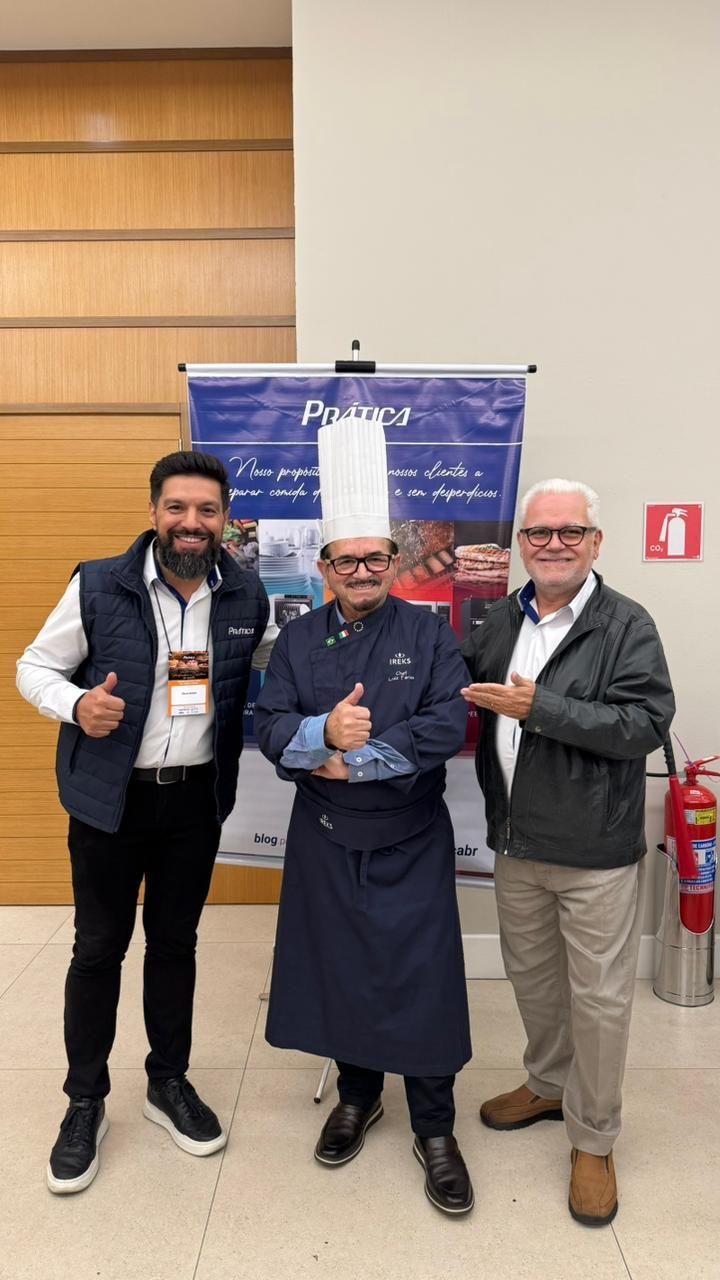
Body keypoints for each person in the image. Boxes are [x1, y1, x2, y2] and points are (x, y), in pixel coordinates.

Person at [16, 451, 271, 1194]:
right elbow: (33, 666)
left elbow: (267, 667)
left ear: (225, 519)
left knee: (175, 945)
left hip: (193, 801)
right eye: (177, 507)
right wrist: (76, 705)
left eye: (207, 510)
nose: (192, 523)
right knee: (98, 949)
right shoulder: (99, 583)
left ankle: (168, 1082)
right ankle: (84, 1101)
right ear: (154, 511)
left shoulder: (245, 593)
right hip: (109, 801)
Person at [254, 414, 474, 1216]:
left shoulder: (429, 631)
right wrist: (321, 733)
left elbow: (448, 722)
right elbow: (270, 725)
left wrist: (357, 757)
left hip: (410, 836)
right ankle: (358, 1096)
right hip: (325, 838)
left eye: (374, 558)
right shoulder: (297, 640)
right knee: (340, 970)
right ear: (325, 567)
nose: (361, 571)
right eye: (346, 560)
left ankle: (435, 1126)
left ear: (392, 560)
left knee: (423, 979)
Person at [461, 478, 675, 1227]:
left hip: (595, 850)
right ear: (521, 543)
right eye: (539, 532)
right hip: (516, 842)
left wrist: (540, 709)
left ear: (595, 541)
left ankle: (593, 1138)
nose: (554, 544)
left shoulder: (627, 623)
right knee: (534, 981)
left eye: (570, 532)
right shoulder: (497, 620)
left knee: (600, 1000)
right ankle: (549, 1085)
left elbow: (645, 724)